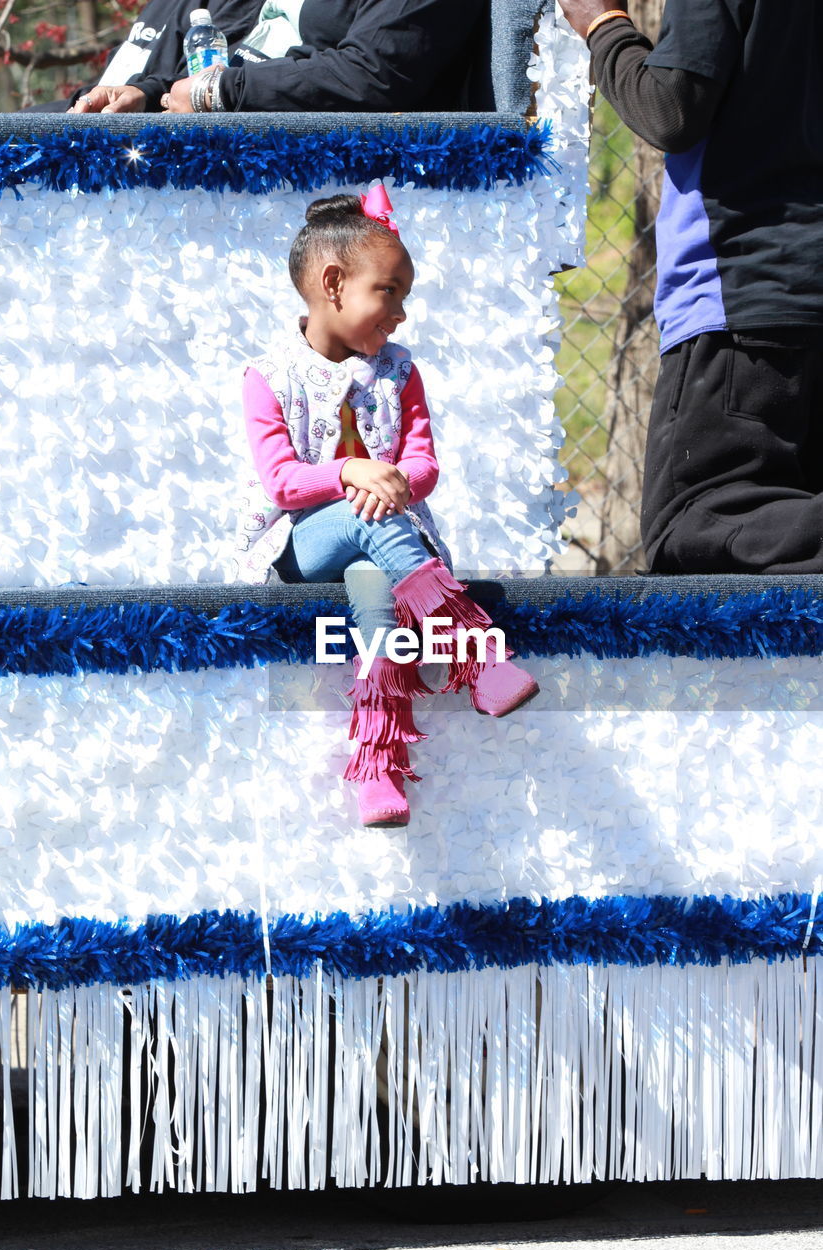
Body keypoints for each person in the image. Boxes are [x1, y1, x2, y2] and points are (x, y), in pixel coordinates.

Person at [237, 188, 538, 827]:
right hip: (299, 546)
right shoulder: (269, 375)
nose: (400, 312)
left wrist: (397, 480)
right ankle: (473, 652)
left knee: (373, 585)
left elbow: (424, 462)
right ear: (334, 284)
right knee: (360, 514)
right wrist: (353, 471)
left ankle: (379, 768)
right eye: (389, 291)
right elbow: (284, 484)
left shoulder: (401, 371)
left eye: (405, 295)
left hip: (382, 542)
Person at [558, 0, 823, 574]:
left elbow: (672, 109)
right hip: (790, 292)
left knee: (696, 526)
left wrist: (603, 27)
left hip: (744, 292)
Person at [53, 0, 486, 116]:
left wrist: (216, 93)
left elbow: (374, 75)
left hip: (313, 158)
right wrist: (146, 93)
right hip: (225, 115)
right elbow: (226, 52)